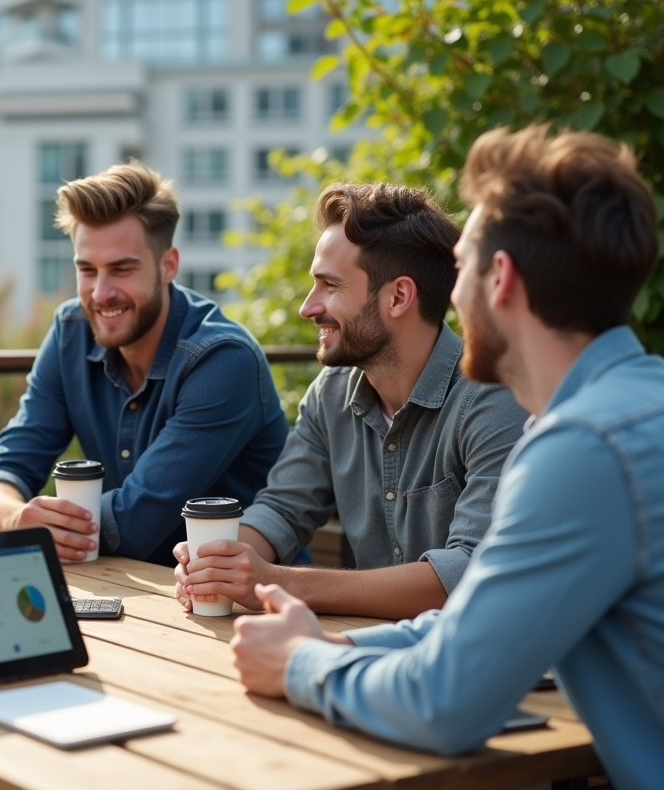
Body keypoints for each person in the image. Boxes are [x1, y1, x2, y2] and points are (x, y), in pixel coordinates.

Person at [230, 126, 664, 790]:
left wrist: (299, 665)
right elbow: (476, 620)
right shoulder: (636, 405)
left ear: (501, 281)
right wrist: (334, 646)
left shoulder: (581, 451)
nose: (450, 297)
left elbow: (446, 703)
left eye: (461, 269)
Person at [174, 183, 528, 620]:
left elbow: (470, 572)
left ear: (398, 296)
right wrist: (219, 564)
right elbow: (282, 509)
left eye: (329, 285)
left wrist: (276, 580)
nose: (307, 307)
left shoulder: (493, 397)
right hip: (365, 650)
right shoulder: (331, 393)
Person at [0, 161, 290, 566]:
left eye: (122, 269)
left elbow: (135, 525)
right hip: (121, 588)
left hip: (237, 604)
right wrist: (15, 516)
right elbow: (3, 473)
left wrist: (40, 523)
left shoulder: (222, 359)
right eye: (87, 270)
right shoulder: (71, 330)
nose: (101, 293)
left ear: (168, 265)